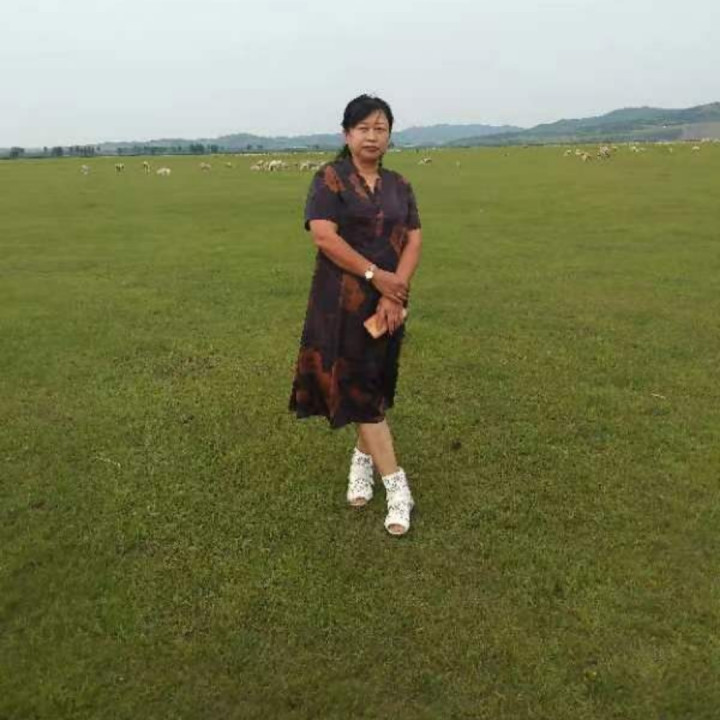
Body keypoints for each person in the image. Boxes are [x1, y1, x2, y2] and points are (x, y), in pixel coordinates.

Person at [288, 94, 423, 536]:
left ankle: (362, 462)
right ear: (347, 135)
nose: (372, 136)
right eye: (363, 128)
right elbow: (324, 237)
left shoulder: (400, 185)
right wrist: (374, 275)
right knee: (362, 390)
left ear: (389, 135)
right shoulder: (330, 179)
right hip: (341, 305)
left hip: (388, 305)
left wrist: (394, 290)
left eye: (380, 128)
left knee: (373, 388)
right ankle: (397, 487)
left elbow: (414, 239)